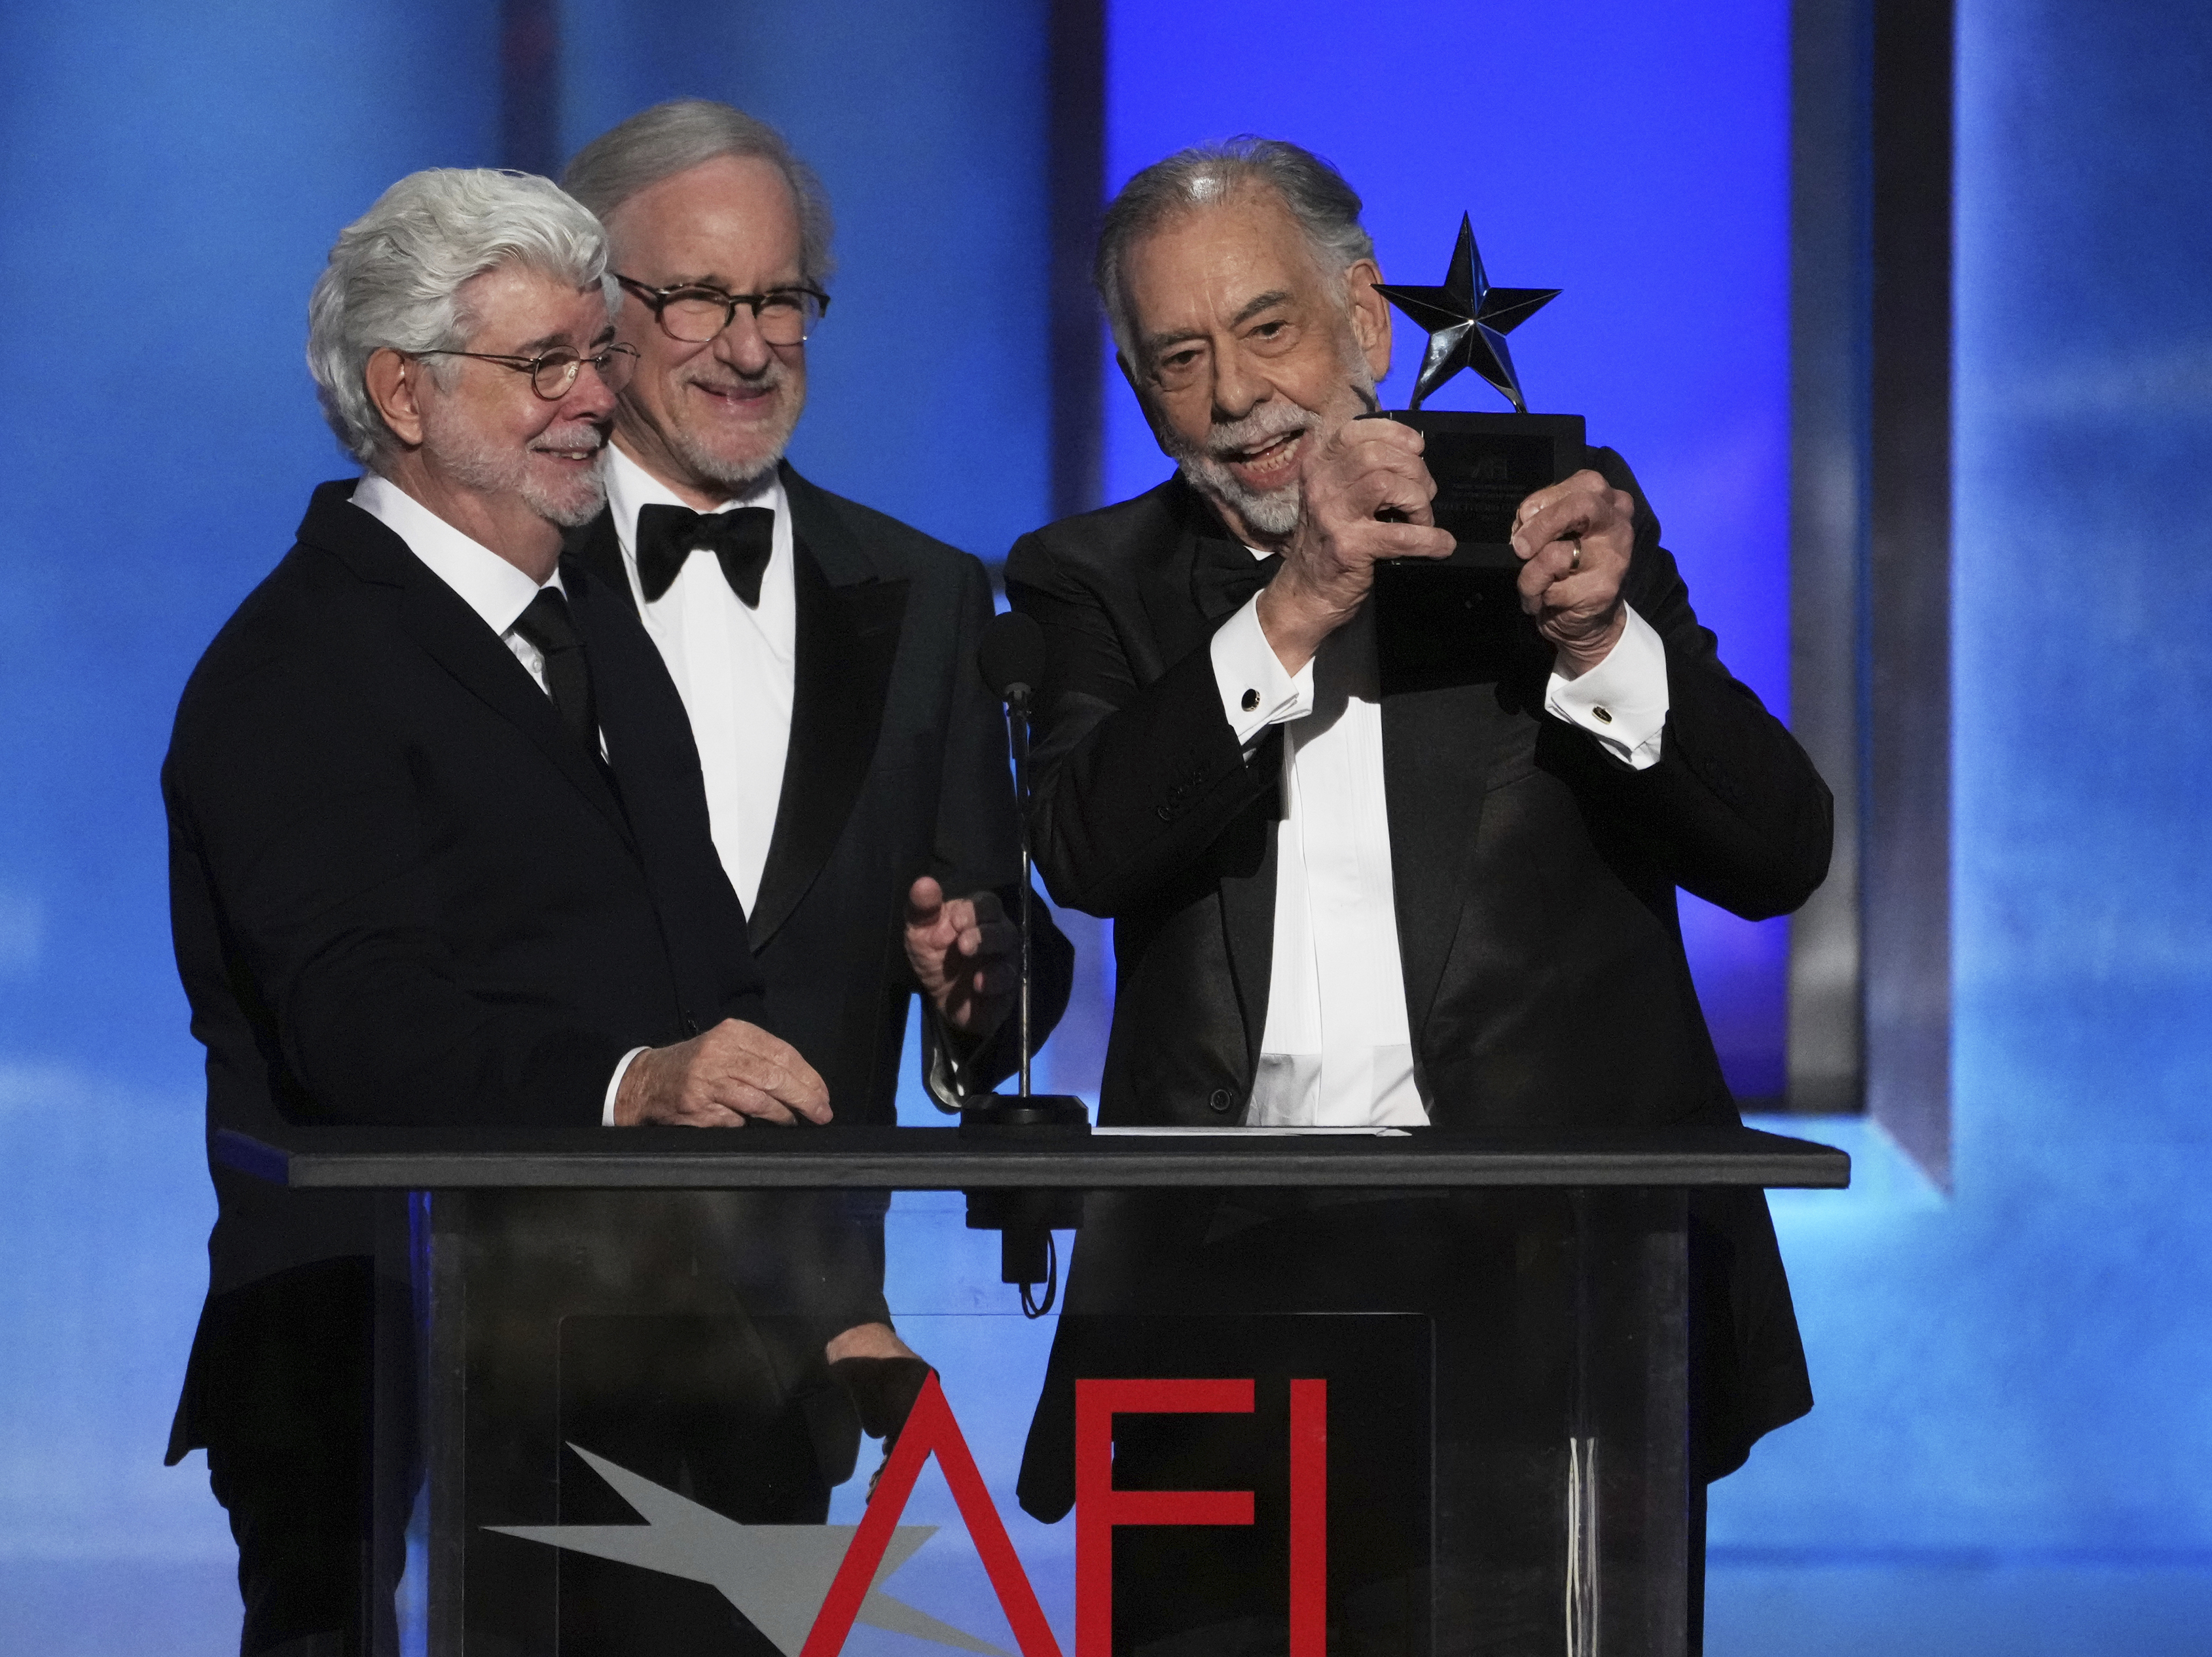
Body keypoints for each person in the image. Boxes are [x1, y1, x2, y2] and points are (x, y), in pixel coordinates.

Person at [1004, 139, 1832, 1652]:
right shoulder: (1089, 579)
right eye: (1179, 357)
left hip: (1551, 1297)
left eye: (1267, 328)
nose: (1237, 397)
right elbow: (1085, 846)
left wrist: (1603, 652)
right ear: (1136, 387)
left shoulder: (1553, 524)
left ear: (1368, 324)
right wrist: (1297, 603)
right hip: (1221, 1307)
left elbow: (1776, 854)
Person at [162, 168, 849, 1657]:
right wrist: (627, 1085)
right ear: (403, 394)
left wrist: (814, 1292)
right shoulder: (296, 668)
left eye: (598, 354)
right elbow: (358, 1014)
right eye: (543, 363)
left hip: (655, 1362)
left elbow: (690, 954)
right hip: (400, 1375)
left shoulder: (587, 621)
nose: (598, 398)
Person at [558, 100, 1072, 1129]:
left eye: (779, 300)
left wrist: (982, 988)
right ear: (595, 315)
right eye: (698, 300)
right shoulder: (518, 572)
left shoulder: (925, 594)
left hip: (814, 1263)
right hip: (530, 1249)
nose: (750, 351)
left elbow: (995, 931)